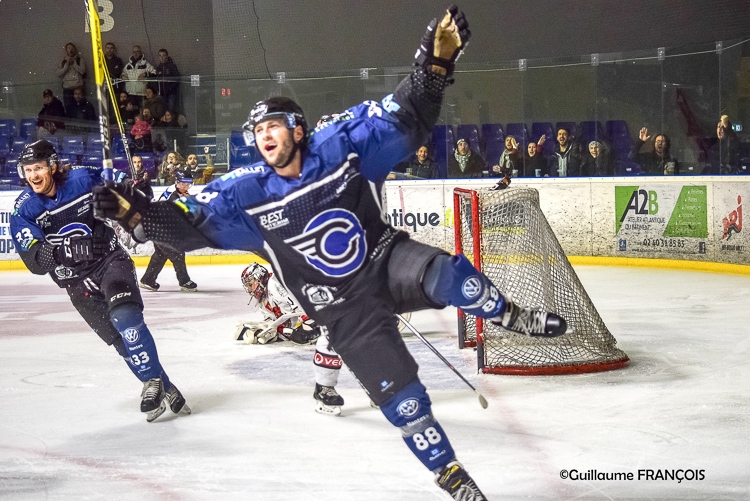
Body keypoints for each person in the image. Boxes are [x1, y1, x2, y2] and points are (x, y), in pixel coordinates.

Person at [94, 7, 566, 499]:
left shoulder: (341, 146)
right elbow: (188, 227)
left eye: (272, 125)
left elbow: (406, 118)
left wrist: (435, 67)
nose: (263, 135)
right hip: (343, 310)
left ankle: (509, 314)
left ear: (297, 129)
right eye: (256, 131)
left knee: (448, 274)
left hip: (385, 261)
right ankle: (452, 476)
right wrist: (136, 214)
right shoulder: (246, 194)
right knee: (405, 404)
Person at [10, 140, 189, 423]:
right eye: (28, 170)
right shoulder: (25, 209)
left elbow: (119, 184)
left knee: (126, 317)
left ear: (53, 166)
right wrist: (60, 252)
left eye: (39, 168)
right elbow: (33, 260)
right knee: (120, 342)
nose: (33, 175)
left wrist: (134, 190)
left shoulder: (81, 178)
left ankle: (151, 382)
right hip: (76, 283)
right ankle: (163, 385)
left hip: (109, 261)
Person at [234, 263, 345, 415]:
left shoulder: (275, 284)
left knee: (302, 335)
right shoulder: (264, 299)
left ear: (260, 278)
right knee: (296, 335)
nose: (250, 289)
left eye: (251, 284)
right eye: (248, 286)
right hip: (302, 316)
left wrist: (309, 323)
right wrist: (270, 330)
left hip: (316, 310)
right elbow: (279, 320)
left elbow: (301, 302)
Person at [139, 171, 198, 292]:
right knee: (177, 254)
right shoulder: (174, 196)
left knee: (160, 255)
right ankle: (184, 281)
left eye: (188, 184)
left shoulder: (176, 192)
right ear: (177, 182)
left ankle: (148, 280)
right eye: (183, 183)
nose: (185, 186)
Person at [56, 42, 86, 112]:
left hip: (78, 87)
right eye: (68, 48)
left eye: (72, 48)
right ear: (66, 51)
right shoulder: (63, 61)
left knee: (81, 108)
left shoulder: (80, 60)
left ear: (75, 49)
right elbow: (58, 74)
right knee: (69, 108)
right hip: (67, 89)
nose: (71, 50)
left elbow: (82, 71)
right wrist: (66, 65)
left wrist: (74, 64)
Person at [155, 48, 180, 114]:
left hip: (171, 93)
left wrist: (170, 88)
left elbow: (177, 79)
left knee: (170, 110)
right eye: (160, 56)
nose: (162, 57)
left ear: (167, 56)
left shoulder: (172, 66)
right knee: (162, 110)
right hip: (162, 94)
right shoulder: (158, 68)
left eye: (163, 55)